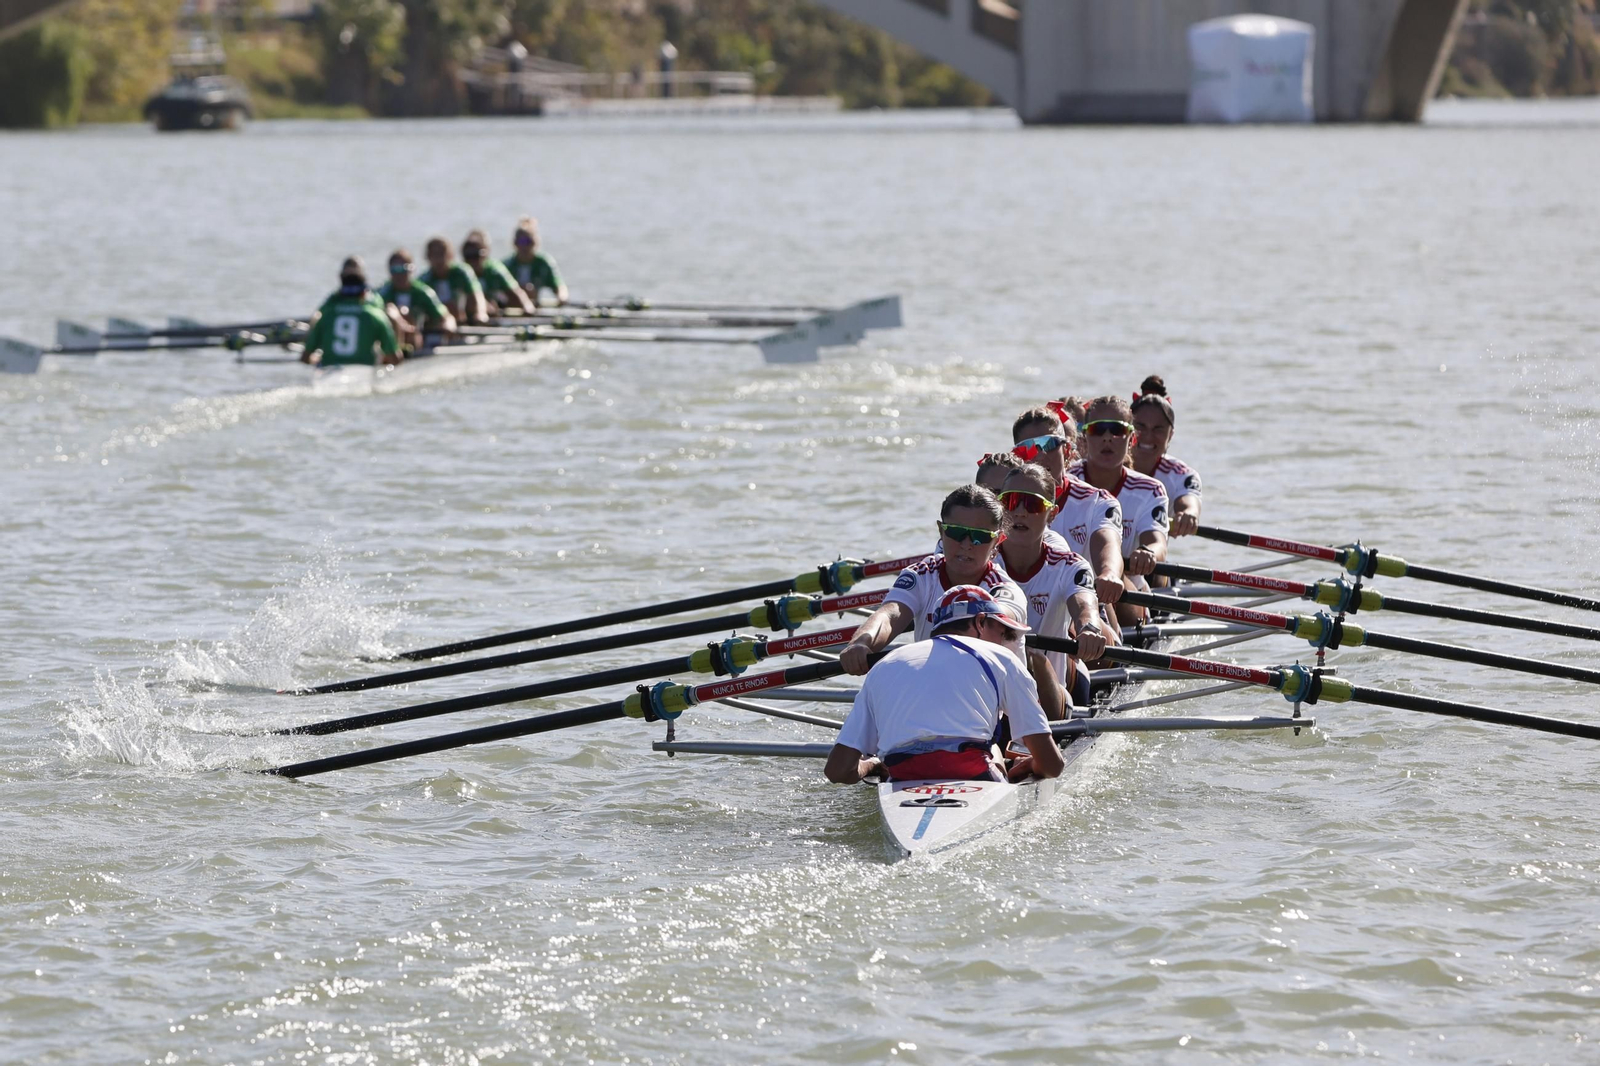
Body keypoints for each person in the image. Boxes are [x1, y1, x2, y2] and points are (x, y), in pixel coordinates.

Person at [824, 585, 1066, 785]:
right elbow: (1053, 766)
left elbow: (837, 771)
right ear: (981, 622)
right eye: (1002, 631)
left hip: (902, 775)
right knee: (994, 748)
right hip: (974, 772)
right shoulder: (1002, 658)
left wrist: (874, 764)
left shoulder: (885, 665)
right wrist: (1029, 765)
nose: (1003, 641)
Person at [840, 485, 1027, 670]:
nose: (966, 544)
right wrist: (862, 642)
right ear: (941, 530)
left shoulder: (1004, 590)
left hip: (998, 691)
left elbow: (995, 622)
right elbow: (890, 615)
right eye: (956, 532)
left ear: (998, 540)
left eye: (979, 536)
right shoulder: (922, 575)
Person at [995, 462, 1108, 707]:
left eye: (1033, 504)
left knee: (1034, 659)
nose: (1020, 512)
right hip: (991, 687)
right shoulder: (981, 562)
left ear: (1052, 514)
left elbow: (1085, 605)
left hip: (1051, 692)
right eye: (1012, 501)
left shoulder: (1070, 566)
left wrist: (1089, 627)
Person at [1010, 405, 1124, 607]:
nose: (1039, 455)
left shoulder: (1097, 502)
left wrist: (1109, 573)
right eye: (1029, 447)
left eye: (1049, 444)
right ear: (1016, 457)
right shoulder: (1003, 501)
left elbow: (1108, 542)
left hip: (1083, 602)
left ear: (1068, 449)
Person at [1070, 395, 1171, 623]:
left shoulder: (1150, 489)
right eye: (1098, 430)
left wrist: (1148, 553)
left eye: (1117, 430)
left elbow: (1158, 543)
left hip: (1128, 590)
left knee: (1110, 574)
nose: (1108, 437)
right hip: (1069, 586)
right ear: (1084, 437)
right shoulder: (1066, 481)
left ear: (1131, 438)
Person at [1130, 375, 1202, 538]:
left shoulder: (1182, 475)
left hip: (1149, 556)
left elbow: (1188, 502)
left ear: (1170, 436)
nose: (1148, 436)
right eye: (1140, 426)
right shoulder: (1105, 464)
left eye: (1158, 429)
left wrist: (1188, 514)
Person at [301, 256, 399, 367]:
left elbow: (304, 358)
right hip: (365, 364)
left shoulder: (329, 312)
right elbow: (396, 359)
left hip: (332, 366)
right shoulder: (375, 314)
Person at [377, 249, 456, 349]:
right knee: (397, 311)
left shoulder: (423, 292)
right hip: (391, 339)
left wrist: (448, 326)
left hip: (416, 338)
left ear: (412, 269)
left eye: (404, 269)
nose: (400, 275)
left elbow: (446, 317)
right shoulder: (382, 293)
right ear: (389, 271)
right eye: (395, 269)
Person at [462, 229, 536, 316]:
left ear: (485, 253)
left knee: (528, 290)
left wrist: (527, 307)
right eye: (468, 256)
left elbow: (517, 292)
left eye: (476, 255)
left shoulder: (494, 270)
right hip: (471, 314)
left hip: (494, 310)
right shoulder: (460, 273)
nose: (472, 260)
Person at [419, 237, 488, 326]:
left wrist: (481, 313)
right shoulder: (423, 280)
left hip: (463, 320)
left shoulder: (461, 272)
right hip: (438, 325)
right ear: (428, 257)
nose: (439, 259)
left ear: (450, 255)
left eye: (442, 254)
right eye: (434, 254)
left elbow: (477, 294)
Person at [505, 216, 567, 308]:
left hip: (534, 308)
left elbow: (559, 285)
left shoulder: (543, 263)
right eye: (521, 242)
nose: (525, 247)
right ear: (515, 243)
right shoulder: (506, 266)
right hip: (510, 308)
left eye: (529, 242)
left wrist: (562, 298)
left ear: (536, 242)